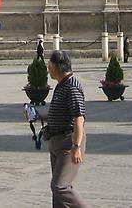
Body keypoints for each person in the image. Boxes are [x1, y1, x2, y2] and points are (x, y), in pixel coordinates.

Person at [24, 50, 90, 208]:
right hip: (56, 141)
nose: (48, 67)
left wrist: (76, 146)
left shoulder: (72, 87)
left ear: (56, 66)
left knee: (60, 186)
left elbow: (79, 118)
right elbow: (59, 113)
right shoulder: (62, 85)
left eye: (50, 64)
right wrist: (38, 116)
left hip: (68, 142)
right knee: (59, 194)